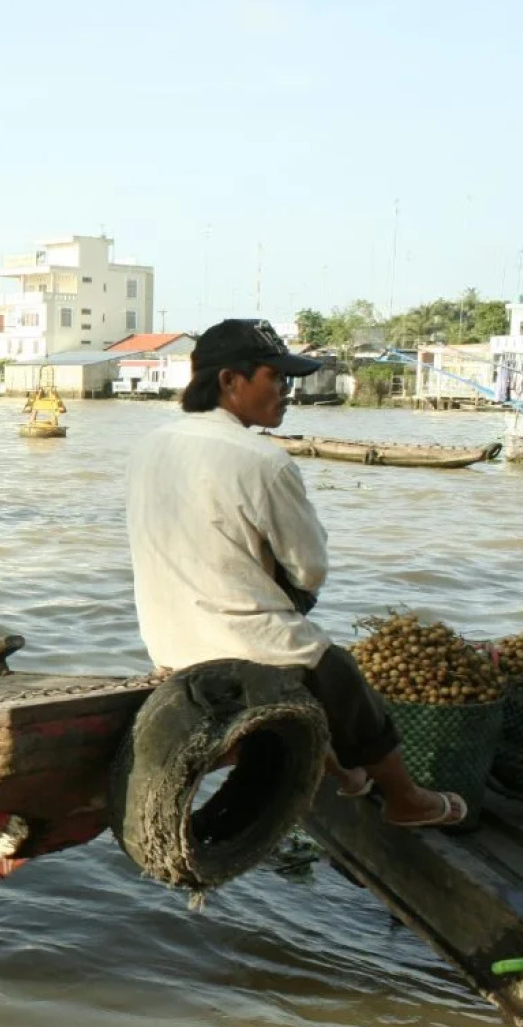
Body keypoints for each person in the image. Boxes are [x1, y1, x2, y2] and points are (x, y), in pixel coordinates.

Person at [125, 317, 467, 828]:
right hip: (236, 644)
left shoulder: (150, 444)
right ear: (229, 380)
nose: (287, 390)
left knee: (294, 643)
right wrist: (290, 591)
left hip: (167, 638)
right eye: (276, 378)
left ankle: (345, 774)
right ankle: (406, 799)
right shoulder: (264, 461)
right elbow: (311, 569)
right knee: (337, 671)